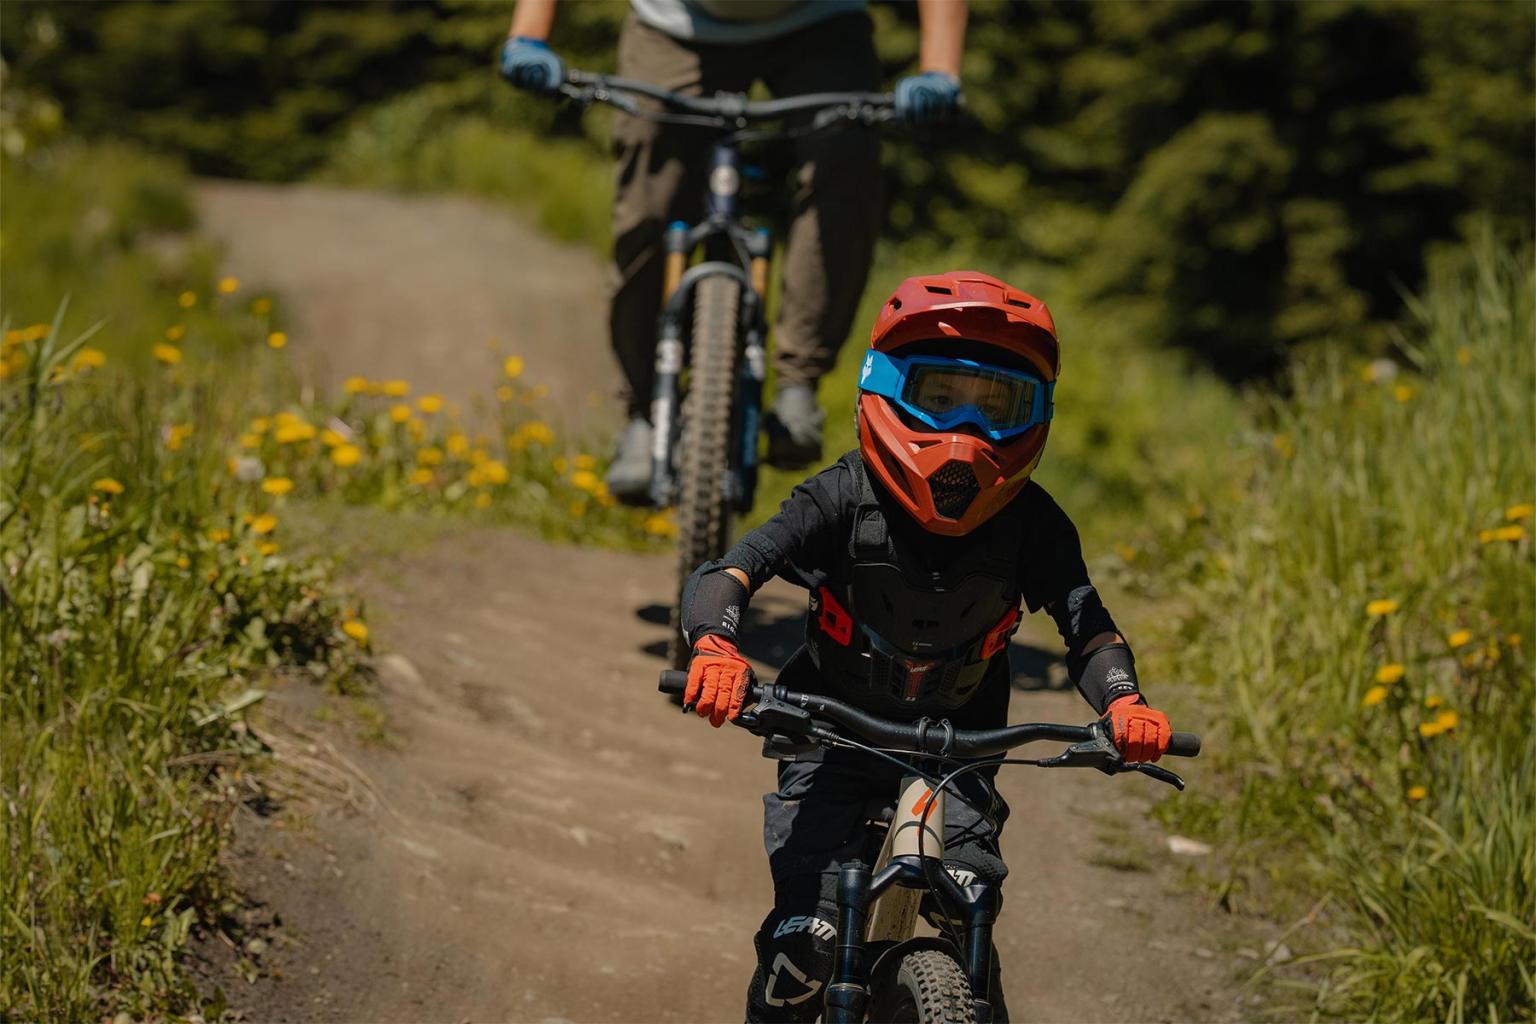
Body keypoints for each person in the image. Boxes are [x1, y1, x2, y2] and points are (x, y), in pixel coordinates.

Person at [675, 271, 1176, 1021]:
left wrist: (1124, 700)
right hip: (828, 737)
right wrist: (715, 646)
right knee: (802, 941)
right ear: (883, 389)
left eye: (995, 406)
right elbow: (733, 570)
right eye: (938, 398)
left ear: (1034, 416)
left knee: (970, 923)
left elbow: (1088, 628)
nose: (965, 433)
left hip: (961, 753)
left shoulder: (1035, 526)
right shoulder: (841, 496)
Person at [500, 0, 969, 501]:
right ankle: (644, 409)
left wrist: (939, 66)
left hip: (820, 24)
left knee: (845, 161)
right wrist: (529, 35)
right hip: (674, 27)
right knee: (648, 201)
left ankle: (798, 384)